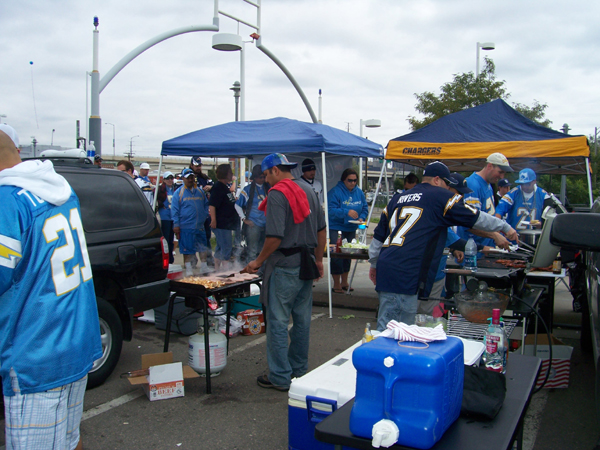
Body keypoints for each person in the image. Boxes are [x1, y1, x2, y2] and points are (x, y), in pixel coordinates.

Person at [0, 125, 102, 450]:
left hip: (37, 353)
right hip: (75, 342)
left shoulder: (8, 202)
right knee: (69, 441)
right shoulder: (57, 187)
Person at [368, 161, 518, 330]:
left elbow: (378, 238)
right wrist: (505, 227)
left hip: (388, 266)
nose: (448, 189)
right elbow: (476, 217)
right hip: (405, 270)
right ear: (438, 180)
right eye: (447, 184)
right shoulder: (439, 195)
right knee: (398, 332)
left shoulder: (397, 199)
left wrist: (374, 263)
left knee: (386, 327)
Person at [242, 153, 326, 391]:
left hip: (285, 265)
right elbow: (322, 230)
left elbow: (274, 238)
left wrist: (257, 262)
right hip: (307, 263)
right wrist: (319, 260)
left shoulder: (278, 193)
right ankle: (299, 370)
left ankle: (280, 376)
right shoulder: (309, 190)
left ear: (276, 170)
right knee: (301, 320)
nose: (266, 180)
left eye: (267, 175)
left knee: (278, 321)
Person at [458, 152, 514, 249]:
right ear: (490, 166)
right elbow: (468, 222)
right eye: (500, 172)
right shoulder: (473, 185)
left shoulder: (488, 184)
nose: (502, 177)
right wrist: (494, 235)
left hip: (485, 248)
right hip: (473, 250)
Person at [327, 168, 368, 293]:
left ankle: (344, 281)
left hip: (351, 227)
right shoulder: (334, 192)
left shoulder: (359, 192)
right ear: (344, 180)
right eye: (350, 180)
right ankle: (336, 283)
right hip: (336, 227)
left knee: (348, 255)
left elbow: (365, 207)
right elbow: (330, 210)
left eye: (355, 180)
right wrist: (346, 212)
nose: (353, 183)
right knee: (336, 254)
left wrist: (361, 217)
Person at [171, 168, 210, 275]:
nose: (190, 180)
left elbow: (206, 204)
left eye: (192, 177)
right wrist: (176, 224)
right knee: (187, 249)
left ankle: (204, 266)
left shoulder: (200, 191)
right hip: (186, 226)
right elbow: (174, 210)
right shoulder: (178, 193)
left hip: (200, 225)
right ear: (183, 178)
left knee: (202, 247)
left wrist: (205, 214)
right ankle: (188, 269)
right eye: (188, 178)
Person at [235, 164, 270, 263]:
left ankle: (263, 272)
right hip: (253, 224)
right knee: (252, 251)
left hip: (267, 224)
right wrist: (244, 219)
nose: (263, 179)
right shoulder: (247, 190)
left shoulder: (268, 188)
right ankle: (252, 274)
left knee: (264, 251)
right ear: (254, 178)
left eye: (264, 177)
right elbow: (237, 205)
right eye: (260, 177)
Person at [209, 164, 238, 271]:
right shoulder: (218, 187)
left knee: (220, 247)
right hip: (222, 223)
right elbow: (212, 204)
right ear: (225, 173)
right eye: (230, 172)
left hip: (227, 223)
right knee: (226, 247)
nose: (231, 175)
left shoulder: (224, 187)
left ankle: (216, 268)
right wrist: (213, 220)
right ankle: (226, 270)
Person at [190, 156, 214, 264]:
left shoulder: (205, 178)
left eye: (199, 165)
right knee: (191, 238)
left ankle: (208, 260)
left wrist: (210, 187)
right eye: (196, 166)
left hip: (204, 213)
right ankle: (192, 261)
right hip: (191, 214)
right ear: (191, 165)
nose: (198, 168)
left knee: (206, 237)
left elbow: (215, 187)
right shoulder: (186, 178)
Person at [157, 171, 176, 264]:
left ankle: (170, 257)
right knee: (166, 239)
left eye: (171, 178)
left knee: (172, 239)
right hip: (165, 217)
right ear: (164, 180)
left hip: (173, 216)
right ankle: (165, 258)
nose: (170, 180)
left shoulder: (174, 189)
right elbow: (157, 200)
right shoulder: (161, 189)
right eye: (167, 178)